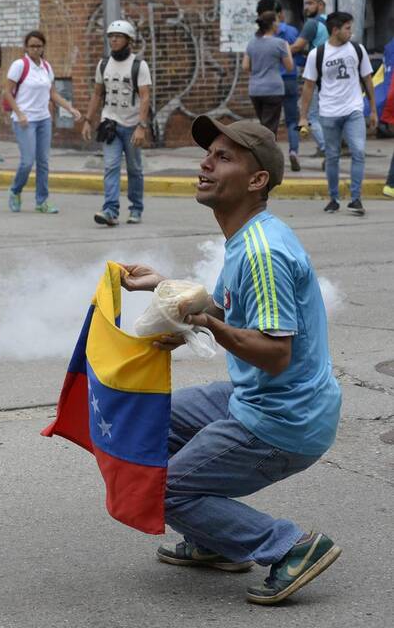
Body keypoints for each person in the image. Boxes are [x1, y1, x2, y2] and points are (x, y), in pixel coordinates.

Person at [123, 116, 342, 607]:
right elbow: (231, 313)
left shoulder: (262, 250)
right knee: (151, 421)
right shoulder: (245, 237)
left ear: (257, 179)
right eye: (208, 154)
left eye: (223, 157)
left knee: (162, 491)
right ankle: (215, 538)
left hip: (283, 418)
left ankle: (288, 546)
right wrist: (169, 291)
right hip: (261, 397)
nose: (205, 164)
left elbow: (275, 353)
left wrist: (208, 323)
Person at [299, 11, 377, 216]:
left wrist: (373, 110)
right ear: (335, 30)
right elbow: (308, 87)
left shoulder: (357, 49)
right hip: (328, 112)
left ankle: (356, 198)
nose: (350, 32)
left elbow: (367, 79)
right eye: (347, 28)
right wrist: (303, 116)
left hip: (353, 110)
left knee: (358, 151)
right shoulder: (318, 54)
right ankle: (333, 198)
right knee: (332, 156)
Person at [1, 29, 82, 214]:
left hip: (44, 119)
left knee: (43, 162)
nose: (35, 49)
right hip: (25, 121)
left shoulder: (46, 67)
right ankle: (15, 191)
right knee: (27, 161)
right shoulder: (19, 65)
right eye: (32, 46)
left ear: (43, 47)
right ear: (26, 48)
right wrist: (20, 113)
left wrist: (69, 108)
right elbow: (7, 92)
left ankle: (41, 201)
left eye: (39, 46)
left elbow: (52, 94)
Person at [82, 19, 152, 226]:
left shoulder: (139, 65)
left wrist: (141, 126)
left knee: (134, 168)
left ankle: (136, 209)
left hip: (132, 126)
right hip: (109, 123)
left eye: (118, 36)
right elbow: (97, 94)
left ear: (128, 40)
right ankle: (110, 211)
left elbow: (145, 96)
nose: (113, 39)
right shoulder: (103, 64)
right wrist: (88, 120)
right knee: (111, 166)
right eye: (111, 36)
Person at [256, 0, 302, 171]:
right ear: (279, 14)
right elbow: (296, 56)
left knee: (269, 123)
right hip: (289, 79)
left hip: (270, 83)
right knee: (292, 120)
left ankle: (268, 158)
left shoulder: (261, 35)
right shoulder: (291, 31)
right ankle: (294, 152)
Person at [290, 0, 330, 158]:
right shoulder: (330, 21)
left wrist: (279, 50)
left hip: (316, 74)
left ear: (321, 5)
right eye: (306, 3)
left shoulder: (311, 24)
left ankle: (327, 149)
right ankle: (327, 147)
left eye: (310, 3)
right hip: (329, 73)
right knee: (323, 114)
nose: (306, 7)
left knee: (308, 114)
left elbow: (297, 46)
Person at [244, 11, 294, 136]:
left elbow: (245, 66)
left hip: (255, 89)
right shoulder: (280, 43)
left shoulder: (252, 43)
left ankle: (263, 152)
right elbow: (289, 67)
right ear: (272, 24)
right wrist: (287, 49)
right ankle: (266, 154)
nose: (279, 24)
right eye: (277, 21)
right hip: (273, 89)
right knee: (270, 129)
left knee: (264, 125)